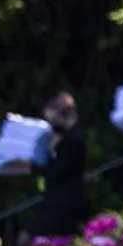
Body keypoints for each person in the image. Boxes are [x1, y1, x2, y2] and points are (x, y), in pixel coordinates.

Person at [29, 92, 87, 236]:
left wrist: (34, 165)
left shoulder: (73, 140)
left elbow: (56, 171)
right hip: (60, 199)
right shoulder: (68, 136)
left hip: (64, 201)